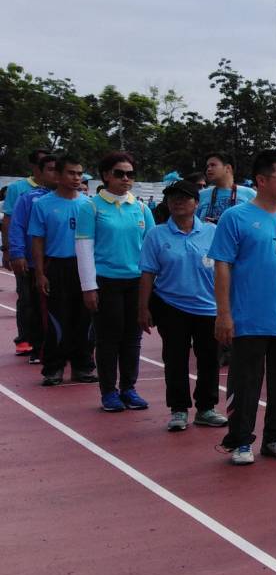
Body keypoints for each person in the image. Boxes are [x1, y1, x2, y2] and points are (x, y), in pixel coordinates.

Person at [209, 149, 276, 465]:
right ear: (261, 180)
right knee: (245, 382)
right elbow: (222, 266)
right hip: (248, 316)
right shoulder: (235, 217)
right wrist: (223, 313)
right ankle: (240, 440)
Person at [138, 181, 227, 431]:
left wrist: (227, 307)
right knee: (175, 359)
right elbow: (147, 273)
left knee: (210, 359)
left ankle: (206, 408)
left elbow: (224, 269)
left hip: (208, 307)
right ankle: (178, 410)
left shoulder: (212, 231)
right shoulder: (156, 235)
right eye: (172, 198)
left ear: (196, 203)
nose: (177, 202)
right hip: (171, 306)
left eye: (184, 197)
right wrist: (143, 308)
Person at [76, 151, 152, 411]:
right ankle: (108, 391)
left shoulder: (141, 208)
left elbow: (152, 247)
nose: (126, 178)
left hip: (136, 282)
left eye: (130, 174)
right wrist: (89, 287)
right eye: (120, 173)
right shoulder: (91, 207)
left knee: (133, 338)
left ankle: (129, 388)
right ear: (106, 175)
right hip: (106, 282)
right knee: (108, 339)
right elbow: (84, 248)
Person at [29, 154, 97, 386]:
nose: (76, 178)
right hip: (56, 266)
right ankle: (54, 368)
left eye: (79, 173)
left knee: (85, 318)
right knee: (56, 318)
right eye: (71, 173)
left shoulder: (89, 204)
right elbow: (37, 240)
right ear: (58, 175)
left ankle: (83, 366)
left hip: (85, 267)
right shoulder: (43, 204)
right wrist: (40, 273)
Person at [6, 152, 59, 362]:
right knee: (33, 305)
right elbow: (16, 226)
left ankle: (63, 347)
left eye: (58, 169)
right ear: (40, 172)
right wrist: (15, 253)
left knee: (61, 306)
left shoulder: (77, 200)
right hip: (32, 262)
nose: (55, 174)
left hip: (60, 262)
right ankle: (37, 347)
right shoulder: (28, 198)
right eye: (51, 170)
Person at [198, 152, 255, 225]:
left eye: (213, 165)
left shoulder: (250, 194)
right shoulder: (200, 195)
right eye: (207, 166)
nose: (208, 169)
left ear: (228, 168)